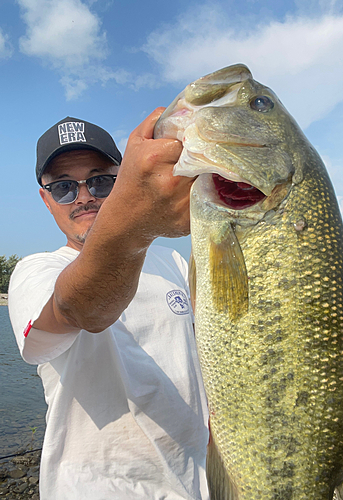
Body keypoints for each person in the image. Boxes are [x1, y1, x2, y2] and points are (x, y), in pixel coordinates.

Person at [8, 111, 209, 500]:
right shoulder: (37, 271)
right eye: (64, 188)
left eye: (100, 181)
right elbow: (79, 311)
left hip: (198, 483)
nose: (84, 197)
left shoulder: (174, 262)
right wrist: (137, 222)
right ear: (46, 200)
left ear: (122, 179)